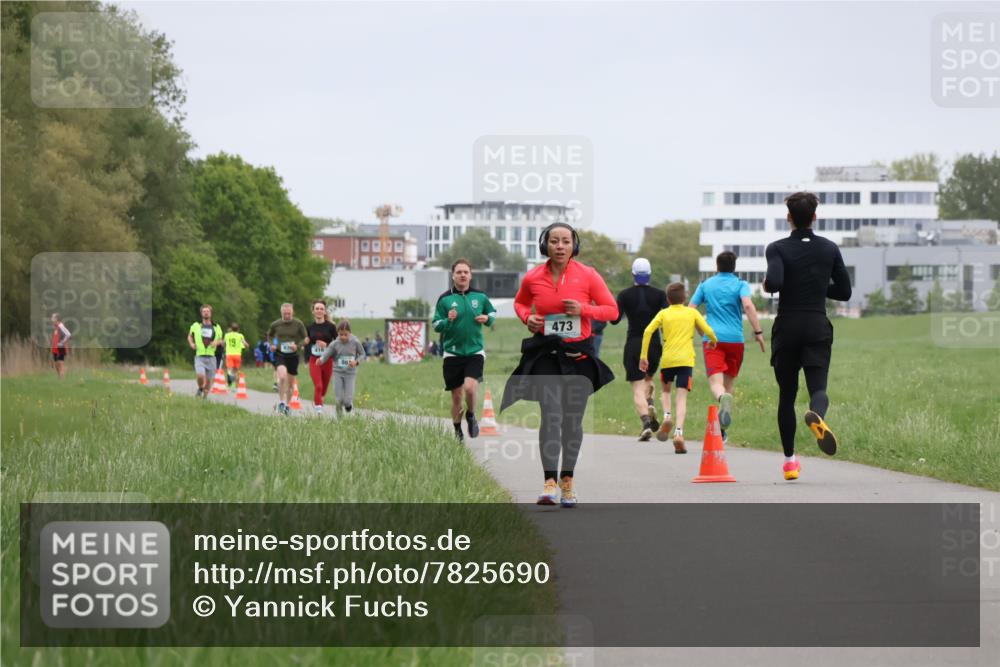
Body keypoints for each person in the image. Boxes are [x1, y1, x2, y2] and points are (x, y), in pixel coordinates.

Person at [501, 222, 618, 508]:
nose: (560, 247)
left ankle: (568, 481)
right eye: (554, 241)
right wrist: (527, 318)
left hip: (578, 355)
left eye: (566, 241)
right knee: (551, 414)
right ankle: (549, 482)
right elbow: (519, 304)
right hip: (546, 354)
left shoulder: (588, 276)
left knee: (572, 421)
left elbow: (612, 310)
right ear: (545, 245)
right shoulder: (533, 278)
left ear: (573, 246)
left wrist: (585, 309)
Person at [763, 191, 852, 481]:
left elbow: (774, 283)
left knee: (786, 397)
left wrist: (774, 282)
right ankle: (817, 415)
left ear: (789, 217)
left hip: (788, 327)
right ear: (814, 217)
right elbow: (844, 292)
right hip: (816, 324)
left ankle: (790, 463)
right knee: (818, 389)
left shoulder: (776, 248)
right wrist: (816, 285)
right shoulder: (829, 248)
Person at [689, 251, 766, 443]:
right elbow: (748, 306)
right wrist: (758, 333)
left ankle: (722, 399)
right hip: (735, 340)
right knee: (729, 384)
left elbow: (691, 310)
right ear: (734, 267)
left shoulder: (705, 285)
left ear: (717, 266)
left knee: (716, 384)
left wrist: (702, 331)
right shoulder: (741, 284)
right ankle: (723, 430)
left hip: (713, 340)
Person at [640, 282, 717, 453]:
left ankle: (667, 416)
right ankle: (679, 433)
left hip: (668, 360)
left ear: (668, 299)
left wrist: (644, 356)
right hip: (686, 360)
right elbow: (709, 331)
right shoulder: (692, 312)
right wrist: (713, 342)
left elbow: (647, 331)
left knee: (666, 391)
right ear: (685, 298)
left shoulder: (663, 313)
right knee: (681, 397)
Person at [432, 258, 497, 441]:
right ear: (453, 276)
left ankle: (471, 415)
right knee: (456, 396)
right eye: (459, 272)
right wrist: (447, 320)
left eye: (465, 272)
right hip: (452, 353)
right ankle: (457, 429)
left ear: (470, 275)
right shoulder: (445, 299)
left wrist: (487, 318)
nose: (462, 275)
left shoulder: (480, 296)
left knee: (469, 387)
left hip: (475, 352)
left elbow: (492, 313)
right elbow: (436, 325)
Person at [610, 258, 668, 441]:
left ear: (633, 274)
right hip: (654, 345)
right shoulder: (659, 295)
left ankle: (645, 423)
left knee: (636, 386)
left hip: (634, 343)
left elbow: (614, 319)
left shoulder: (624, 295)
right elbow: (668, 317)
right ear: (649, 274)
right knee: (648, 378)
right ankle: (649, 402)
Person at [266, 303, 308, 415]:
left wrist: (298, 345)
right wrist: (271, 345)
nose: (287, 316)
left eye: (289, 313)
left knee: (290, 385)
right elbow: (269, 335)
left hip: (293, 356)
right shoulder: (276, 324)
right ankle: (281, 402)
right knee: (282, 376)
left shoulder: (298, 324)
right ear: (281, 313)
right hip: (280, 354)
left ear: (292, 312)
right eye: (285, 313)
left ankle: (288, 406)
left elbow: (306, 338)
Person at [319, 319, 367, 416]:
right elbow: (327, 354)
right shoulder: (335, 344)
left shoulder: (355, 342)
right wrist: (321, 360)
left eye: (346, 334)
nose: (343, 337)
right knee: (338, 399)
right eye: (341, 334)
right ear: (337, 333)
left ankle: (349, 405)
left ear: (350, 333)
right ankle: (339, 419)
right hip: (337, 373)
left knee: (347, 400)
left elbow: (362, 354)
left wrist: (356, 361)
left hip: (350, 374)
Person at [304, 300, 338, 414]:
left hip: (327, 360)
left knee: (324, 388)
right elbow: (307, 344)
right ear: (313, 311)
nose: (319, 311)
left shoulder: (331, 327)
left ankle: (320, 400)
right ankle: (318, 409)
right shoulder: (309, 327)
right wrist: (305, 343)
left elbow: (339, 343)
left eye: (321, 309)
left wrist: (327, 345)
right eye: (317, 309)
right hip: (315, 360)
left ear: (324, 312)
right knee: (318, 385)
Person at [187, 305, 223, 398]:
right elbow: (190, 336)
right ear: (201, 313)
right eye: (204, 311)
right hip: (200, 356)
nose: (206, 312)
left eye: (207, 311)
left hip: (211, 357)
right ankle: (200, 388)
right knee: (200, 375)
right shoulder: (196, 325)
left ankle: (205, 398)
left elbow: (221, 340)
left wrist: (216, 342)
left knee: (209, 380)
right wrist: (191, 344)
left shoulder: (216, 327)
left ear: (210, 313)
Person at [223, 323, 249, 388]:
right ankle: (235, 384)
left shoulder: (227, 335)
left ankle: (230, 383)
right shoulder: (240, 335)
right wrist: (246, 346)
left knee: (230, 369)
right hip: (237, 355)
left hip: (229, 354)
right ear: (238, 329)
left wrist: (225, 347)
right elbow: (245, 344)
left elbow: (223, 343)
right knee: (236, 370)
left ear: (231, 329)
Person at [50, 313, 72, 379]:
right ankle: (60, 377)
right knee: (56, 364)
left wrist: (62, 342)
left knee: (60, 363)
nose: (52, 319)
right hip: (55, 348)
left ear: (57, 319)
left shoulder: (61, 326)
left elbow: (68, 334)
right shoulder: (55, 327)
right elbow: (55, 338)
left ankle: (62, 378)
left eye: (53, 318)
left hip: (61, 347)